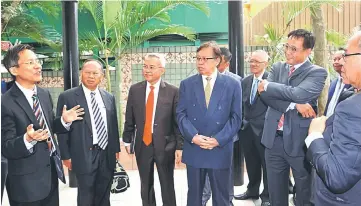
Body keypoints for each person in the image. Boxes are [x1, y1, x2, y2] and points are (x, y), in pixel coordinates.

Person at [1, 44, 83, 205]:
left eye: (37, 61)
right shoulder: (5, 102)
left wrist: (63, 121)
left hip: (51, 176)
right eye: (30, 63)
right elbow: (6, 147)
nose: (38, 66)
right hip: (25, 186)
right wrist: (27, 139)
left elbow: (48, 128)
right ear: (14, 70)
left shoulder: (43, 94)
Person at [258, 29, 327, 206]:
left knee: (304, 191)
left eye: (294, 49)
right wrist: (294, 105)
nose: (288, 52)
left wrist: (268, 85)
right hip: (273, 140)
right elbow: (265, 96)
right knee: (275, 192)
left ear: (308, 51)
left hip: (300, 141)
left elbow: (299, 93)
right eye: (287, 46)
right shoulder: (278, 67)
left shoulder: (317, 73)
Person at [177, 41, 242, 206]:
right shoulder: (187, 84)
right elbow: (180, 114)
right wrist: (193, 137)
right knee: (195, 197)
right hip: (195, 148)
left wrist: (218, 139)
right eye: (198, 58)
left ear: (217, 60)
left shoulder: (232, 84)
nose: (200, 62)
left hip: (219, 148)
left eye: (205, 59)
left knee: (221, 198)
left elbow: (236, 118)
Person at [305, 30, 361, 206]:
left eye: (346, 55)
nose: (340, 62)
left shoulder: (352, 108)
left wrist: (314, 136)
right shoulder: (351, 96)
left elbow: (337, 177)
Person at [56, 59, 121, 206]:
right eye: (87, 72)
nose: (91, 76)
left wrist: (115, 149)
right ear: (81, 74)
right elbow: (61, 129)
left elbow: (112, 125)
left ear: (102, 76)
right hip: (83, 154)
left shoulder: (108, 97)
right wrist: (65, 155)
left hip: (106, 153)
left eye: (95, 73)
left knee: (104, 195)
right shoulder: (68, 96)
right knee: (86, 196)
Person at [123, 53, 183, 206]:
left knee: (167, 183)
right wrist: (127, 139)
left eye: (151, 67)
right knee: (145, 184)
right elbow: (129, 116)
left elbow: (177, 122)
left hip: (166, 145)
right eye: (145, 66)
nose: (147, 70)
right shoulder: (135, 90)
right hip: (143, 144)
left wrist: (179, 147)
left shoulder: (173, 91)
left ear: (162, 70)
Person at [201, 47, 241, 206]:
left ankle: (226, 200)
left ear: (224, 62)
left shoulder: (235, 81)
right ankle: (203, 199)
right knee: (204, 174)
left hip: (226, 137)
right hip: (203, 137)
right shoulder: (199, 80)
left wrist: (223, 136)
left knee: (225, 173)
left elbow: (237, 112)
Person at [234, 50, 270, 206]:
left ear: (265, 64)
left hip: (265, 130)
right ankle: (252, 190)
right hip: (247, 130)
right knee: (251, 162)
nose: (253, 64)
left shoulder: (272, 80)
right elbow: (241, 104)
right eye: (251, 61)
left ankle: (267, 196)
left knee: (267, 164)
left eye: (257, 62)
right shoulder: (245, 81)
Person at [324, 49, 352, 117]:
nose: (336, 62)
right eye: (334, 59)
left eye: (339, 59)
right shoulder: (333, 83)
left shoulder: (353, 83)